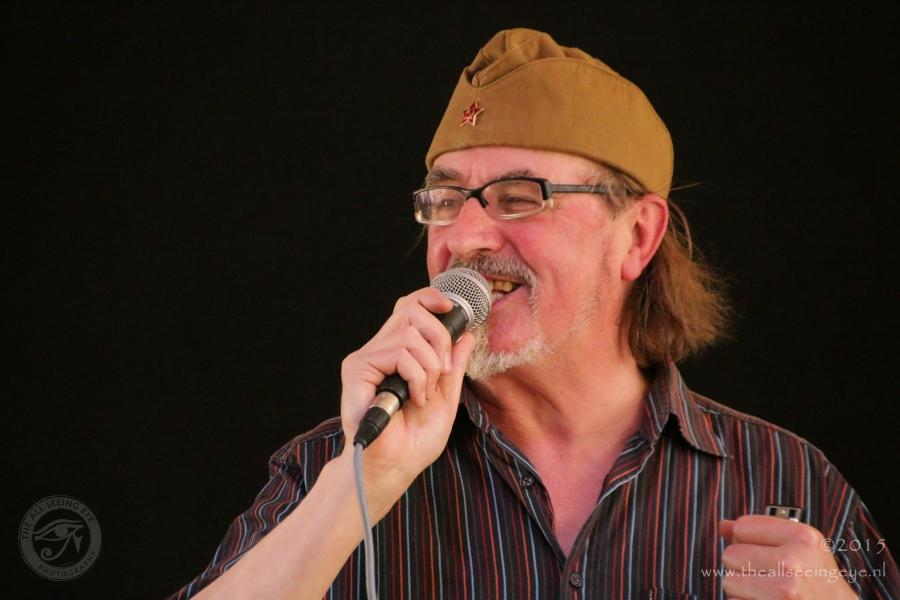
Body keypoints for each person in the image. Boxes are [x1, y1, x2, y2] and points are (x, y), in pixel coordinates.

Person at [169, 28, 898, 599]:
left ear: (637, 236)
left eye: (519, 198)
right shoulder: (336, 467)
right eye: (446, 199)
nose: (466, 236)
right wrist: (360, 485)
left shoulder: (790, 480)